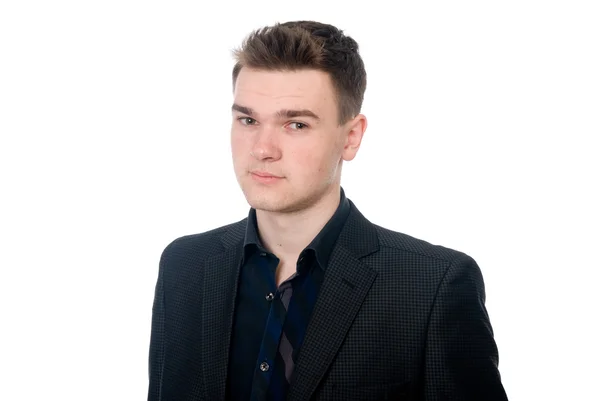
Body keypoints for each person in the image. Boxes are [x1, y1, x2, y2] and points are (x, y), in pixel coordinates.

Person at [147, 20, 508, 401]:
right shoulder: (184, 266)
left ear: (351, 137)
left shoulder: (432, 286)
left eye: (296, 124)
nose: (263, 149)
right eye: (248, 120)